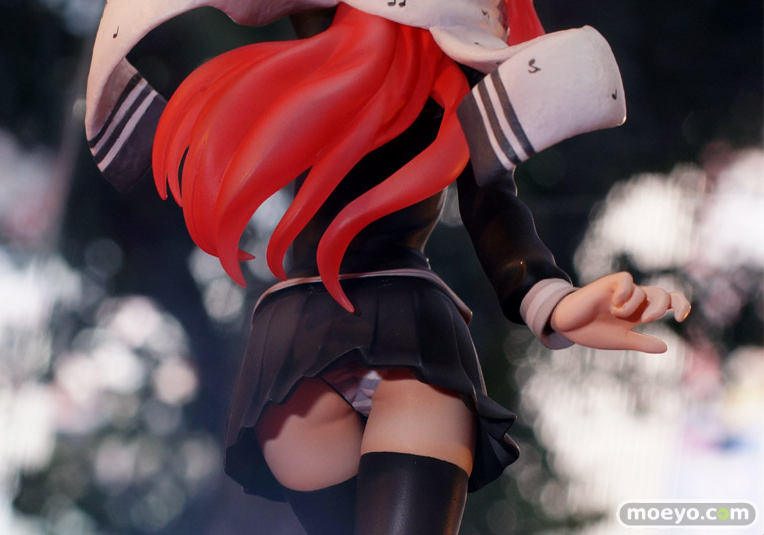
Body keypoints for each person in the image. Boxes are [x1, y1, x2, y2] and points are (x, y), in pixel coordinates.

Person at [85, 2, 690, 533]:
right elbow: (491, 201)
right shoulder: (335, 49)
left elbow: (491, 200)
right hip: (359, 341)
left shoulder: (445, 69)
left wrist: (549, 300)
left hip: (327, 344)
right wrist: (549, 300)